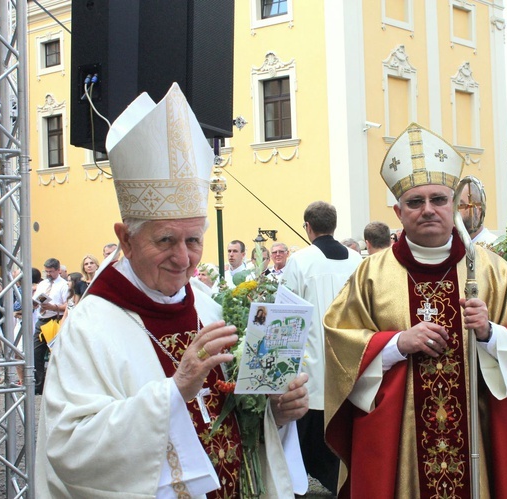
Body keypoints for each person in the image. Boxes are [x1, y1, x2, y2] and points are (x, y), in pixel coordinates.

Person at [36, 83, 309, 498]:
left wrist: (274, 412)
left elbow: (232, 419)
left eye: (194, 240)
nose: (184, 259)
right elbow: (69, 449)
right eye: (165, 240)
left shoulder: (208, 305)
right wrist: (175, 390)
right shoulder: (89, 329)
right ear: (125, 239)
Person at [323, 123, 507, 498]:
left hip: (479, 430)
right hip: (401, 440)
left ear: (454, 206)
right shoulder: (371, 273)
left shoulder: (491, 269)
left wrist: (490, 333)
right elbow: (339, 342)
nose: (428, 210)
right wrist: (398, 343)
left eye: (438, 200)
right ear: (398, 211)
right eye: (415, 202)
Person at [282, 200, 363, 493]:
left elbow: (286, 317)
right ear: (334, 225)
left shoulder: (300, 261)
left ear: (308, 227)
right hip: (349, 369)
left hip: (310, 374)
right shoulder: (358, 262)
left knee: (303, 450)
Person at [32, 257, 68, 395]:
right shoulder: (43, 284)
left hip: (55, 320)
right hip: (41, 320)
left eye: (51, 272)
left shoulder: (64, 285)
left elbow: (68, 305)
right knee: (37, 353)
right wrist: (35, 303)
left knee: (57, 354)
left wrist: (53, 307)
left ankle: (59, 386)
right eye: (46, 271)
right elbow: (37, 298)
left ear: (58, 270)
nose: (48, 274)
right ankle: (39, 385)